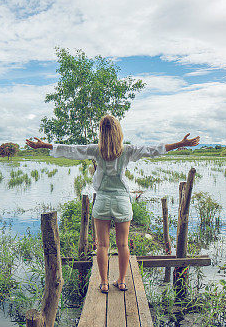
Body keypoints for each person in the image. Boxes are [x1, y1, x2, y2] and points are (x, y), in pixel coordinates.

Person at [26, 114, 200, 294]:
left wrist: (45, 145)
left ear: (101, 132)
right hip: (122, 201)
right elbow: (154, 149)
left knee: (102, 245)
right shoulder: (127, 150)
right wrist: (180, 144)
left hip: (101, 200)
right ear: (118, 131)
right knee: (123, 245)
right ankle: (122, 281)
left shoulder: (96, 150)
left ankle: (104, 283)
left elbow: (72, 150)